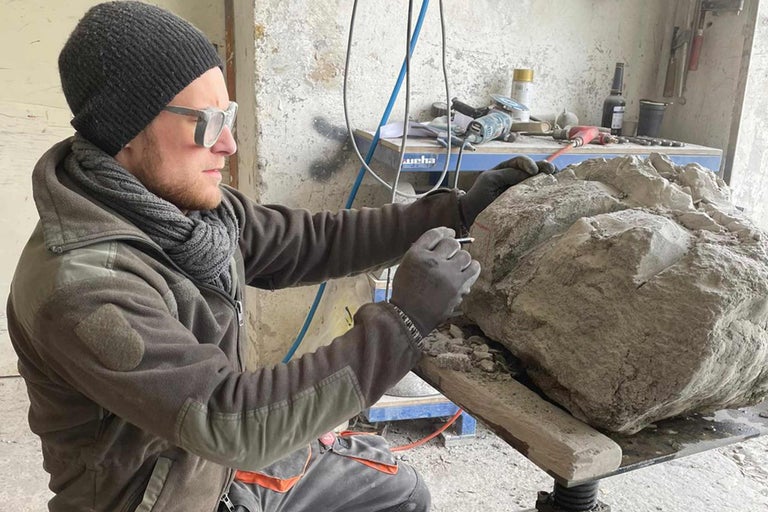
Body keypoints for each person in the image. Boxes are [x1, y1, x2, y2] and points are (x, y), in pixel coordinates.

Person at [6, 2, 554, 511]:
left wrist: (450, 213)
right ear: (123, 132)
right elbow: (229, 419)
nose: (229, 146)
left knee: (400, 491)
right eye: (207, 125)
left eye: (231, 117)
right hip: (161, 498)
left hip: (211, 466)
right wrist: (402, 322)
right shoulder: (82, 288)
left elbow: (310, 241)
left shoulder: (184, 212)